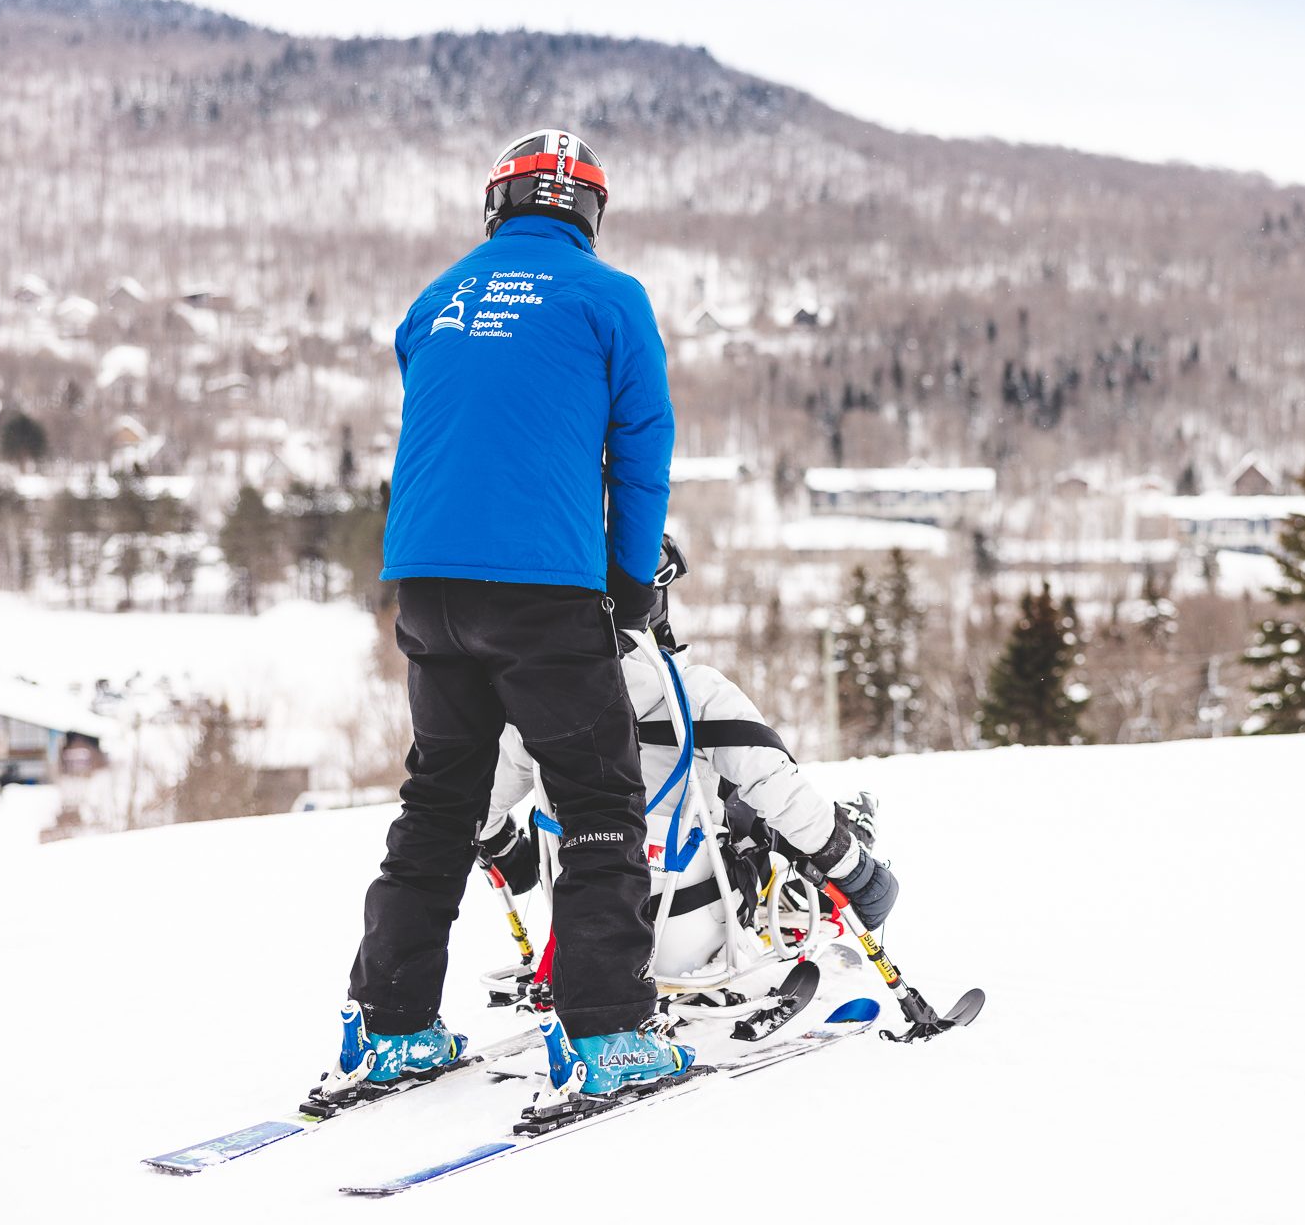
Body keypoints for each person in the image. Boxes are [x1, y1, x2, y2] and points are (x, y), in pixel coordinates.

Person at [334, 128, 685, 1099]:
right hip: (542, 588)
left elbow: (463, 420)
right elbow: (640, 447)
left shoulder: (434, 299)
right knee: (598, 800)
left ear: (497, 205)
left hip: (428, 585)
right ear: (588, 215)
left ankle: (389, 1023)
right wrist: (628, 582)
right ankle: (609, 1033)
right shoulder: (611, 298)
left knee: (439, 799)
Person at [476, 535, 898, 1030]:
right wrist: (862, 878)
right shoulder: (698, 694)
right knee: (747, 803)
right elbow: (780, 788)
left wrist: (511, 854)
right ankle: (820, 873)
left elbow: (478, 811)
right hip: (697, 943)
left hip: (587, 939)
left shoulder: (531, 707)